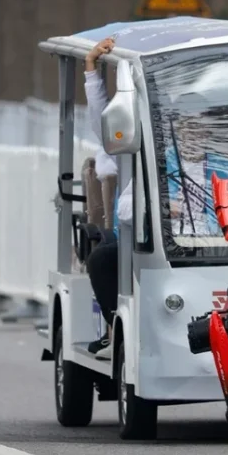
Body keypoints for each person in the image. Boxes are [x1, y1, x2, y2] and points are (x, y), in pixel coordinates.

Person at [83, 38, 132, 361]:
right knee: (103, 258)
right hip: (137, 228)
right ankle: (114, 328)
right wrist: (91, 70)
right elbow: (102, 120)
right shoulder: (129, 136)